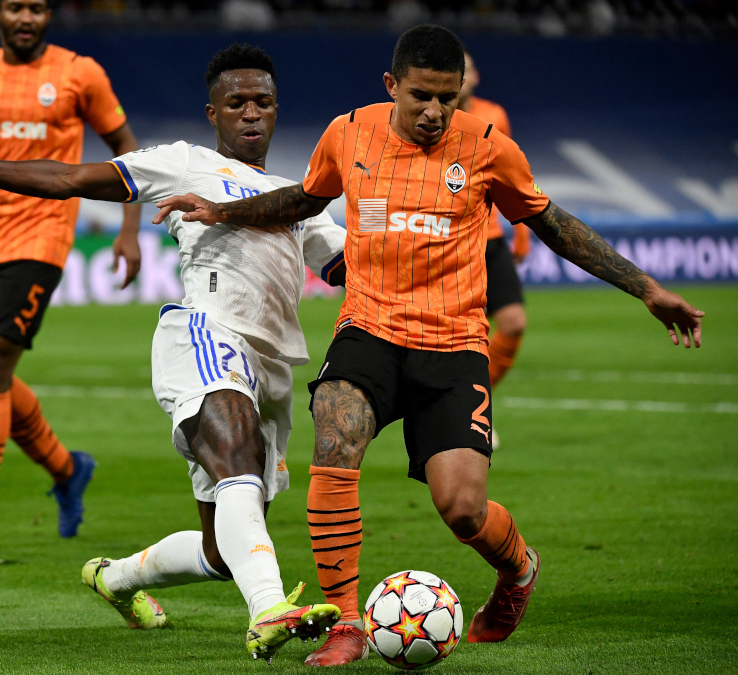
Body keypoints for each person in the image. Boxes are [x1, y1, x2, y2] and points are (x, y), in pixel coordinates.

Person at [152, 25, 703, 667]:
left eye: (448, 97)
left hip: (453, 342)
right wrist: (223, 212)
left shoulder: (489, 146)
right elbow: (305, 199)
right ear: (392, 85)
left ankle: (519, 570)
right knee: (334, 437)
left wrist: (646, 289)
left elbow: (551, 222)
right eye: (421, 96)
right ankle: (348, 625)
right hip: (369, 328)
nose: (436, 112)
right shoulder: (348, 133)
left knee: (462, 510)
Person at [0, 42, 347, 663]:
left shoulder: (296, 199)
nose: (251, 113)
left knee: (225, 549)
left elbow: (357, 267)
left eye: (263, 103)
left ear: (277, 111)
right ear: (212, 113)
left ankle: (115, 577)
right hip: (205, 337)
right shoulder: (184, 163)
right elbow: (66, 178)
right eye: (236, 102)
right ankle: (269, 609)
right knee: (238, 458)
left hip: (272, 370)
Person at [0, 0, 143, 553]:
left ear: (48, 16)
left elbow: (127, 149)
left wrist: (129, 230)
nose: (26, 18)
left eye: (36, 8)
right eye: (15, 7)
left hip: (41, 235)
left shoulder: (79, 73)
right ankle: (67, 469)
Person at [458, 50, 528, 448]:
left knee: (514, 323)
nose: (462, 77)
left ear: (476, 76)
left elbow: (509, 174)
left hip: (492, 237)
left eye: (466, 70)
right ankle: (466, 412)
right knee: (463, 338)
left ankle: (481, 403)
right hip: (455, 243)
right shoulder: (434, 120)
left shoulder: (494, 116)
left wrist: (521, 231)